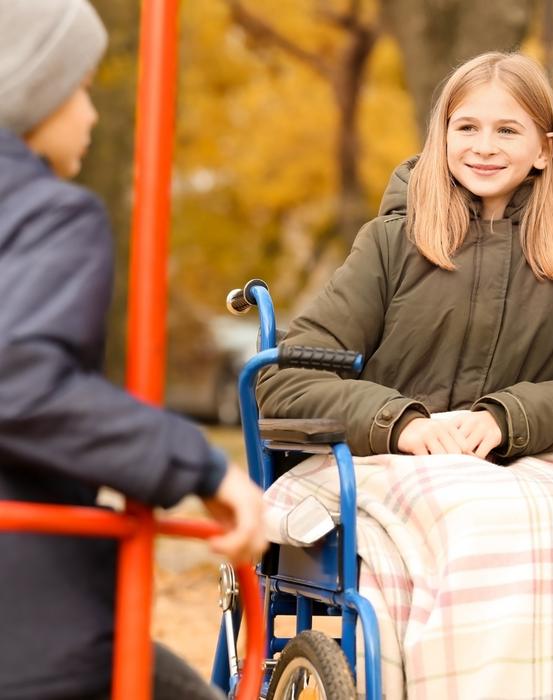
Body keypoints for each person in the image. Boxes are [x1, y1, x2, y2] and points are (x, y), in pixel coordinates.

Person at [258, 53, 553, 699]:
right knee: (476, 518)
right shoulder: (392, 243)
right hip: (388, 460)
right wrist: (402, 424)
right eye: (466, 127)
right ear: (442, 135)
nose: (484, 146)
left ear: (543, 149)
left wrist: (505, 419)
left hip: (518, 458)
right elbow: (285, 378)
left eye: (508, 130)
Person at [0, 1, 266, 699]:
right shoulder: (50, 215)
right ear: (33, 89)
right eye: (80, 87)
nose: (89, 114)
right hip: (29, 627)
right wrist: (203, 468)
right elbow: (21, 380)